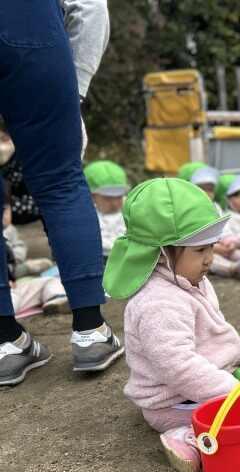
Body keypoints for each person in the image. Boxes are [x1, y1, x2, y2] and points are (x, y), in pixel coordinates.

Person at [103, 178, 240, 472]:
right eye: (200, 249)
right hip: (171, 401)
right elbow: (178, 368)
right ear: (163, 252)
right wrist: (232, 391)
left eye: (211, 247)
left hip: (191, 389)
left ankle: (198, 426)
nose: (210, 258)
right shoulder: (158, 303)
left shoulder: (189, 280)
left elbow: (214, 326)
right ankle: (185, 437)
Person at [0, 0, 122, 387]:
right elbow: (89, 6)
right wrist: (75, 90)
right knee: (60, 182)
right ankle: (90, 331)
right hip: (25, 22)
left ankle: (5, 341)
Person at [84, 160, 128, 262]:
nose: (115, 203)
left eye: (119, 197)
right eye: (108, 198)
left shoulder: (129, 209)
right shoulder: (85, 214)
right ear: (91, 196)